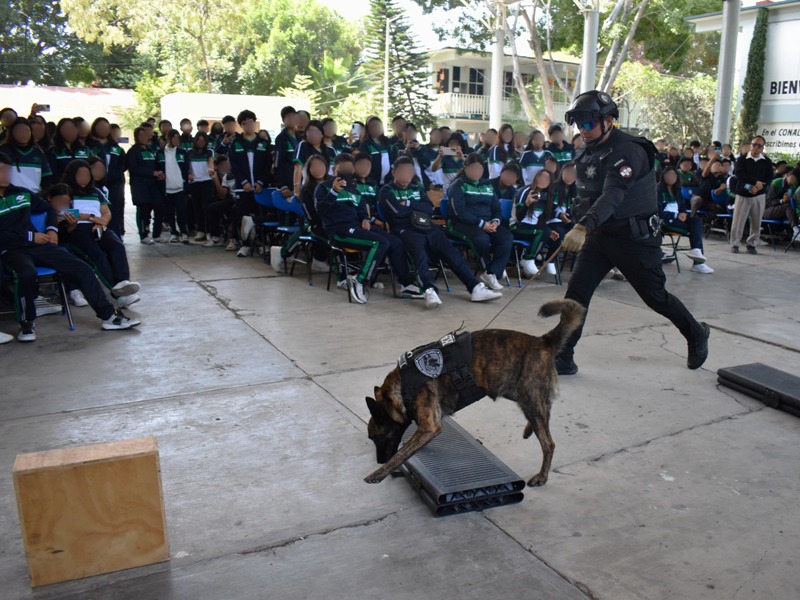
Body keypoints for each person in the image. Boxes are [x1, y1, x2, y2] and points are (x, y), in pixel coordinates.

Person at [554, 90, 709, 375]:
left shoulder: (629, 151)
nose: (582, 130)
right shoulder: (588, 150)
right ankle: (564, 356)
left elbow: (613, 195)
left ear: (608, 121)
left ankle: (696, 333)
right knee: (576, 295)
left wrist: (582, 226)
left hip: (633, 238)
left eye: (589, 123)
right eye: (578, 124)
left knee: (656, 297)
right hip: (600, 237)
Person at [0, 154, 138, 341]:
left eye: (7, 170)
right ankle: (27, 324)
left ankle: (109, 316)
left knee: (82, 268)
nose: (6, 174)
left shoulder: (22, 193)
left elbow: (49, 209)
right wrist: (31, 236)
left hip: (39, 244)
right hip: (10, 249)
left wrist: (52, 230)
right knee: (26, 273)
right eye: (1, 170)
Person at [378, 156, 502, 309]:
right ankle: (429, 290)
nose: (406, 174)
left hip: (426, 226)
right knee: (419, 253)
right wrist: (417, 208)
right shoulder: (386, 191)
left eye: (409, 171)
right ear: (393, 172)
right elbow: (397, 212)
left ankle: (475, 287)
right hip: (404, 229)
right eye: (402, 171)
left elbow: (429, 209)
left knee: (450, 251)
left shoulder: (417, 188)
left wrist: (408, 203)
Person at [317, 153, 421, 304]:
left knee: (396, 242)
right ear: (334, 170)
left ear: (353, 170)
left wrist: (366, 219)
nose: (346, 172)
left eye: (349, 169)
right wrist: (334, 192)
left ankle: (406, 284)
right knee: (379, 243)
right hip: (339, 231)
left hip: (358, 228)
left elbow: (362, 211)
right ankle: (360, 281)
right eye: (342, 169)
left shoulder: (354, 189)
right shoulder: (323, 187)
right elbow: (321, 211)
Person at [50, 168, 142, 305]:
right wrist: (91, 217)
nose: (85, 177)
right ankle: (119, 295)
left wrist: (100, 222)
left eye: (87, 174)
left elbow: (106, 213)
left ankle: (123, 282)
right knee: (97, 255)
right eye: (80, 174)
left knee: (117, 245)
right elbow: (67, 213)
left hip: (98, 226)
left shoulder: (96, 192)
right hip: (77, 229)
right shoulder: (66, 192)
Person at [446, 152, 513, 291]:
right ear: (465, 168)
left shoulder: (487, 185)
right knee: (481, 239)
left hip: (488, 222)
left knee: (506, 237)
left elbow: (496, 208)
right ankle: (489, 270)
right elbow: (459, 212)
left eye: (479, 169)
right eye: (473, 168)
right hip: (462, 224)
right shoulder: (457, 186)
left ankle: (492, 272)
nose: (476, 172)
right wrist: (482, 224)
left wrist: (495, 221)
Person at [270, 154, 331, 274]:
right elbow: (309, 214)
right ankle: (283, 252)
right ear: (308, 170)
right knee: (325, 235)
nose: (318, 169)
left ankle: (319, 260)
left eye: (320, 165)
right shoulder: (306, 188)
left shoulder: (332, 184)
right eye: (314, 166)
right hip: (313, 223)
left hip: (330, 221)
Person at [228, 109, 271, 256]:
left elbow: (267, 165)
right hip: (243, 188)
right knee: (242, 216)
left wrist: (260, 182)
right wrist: (244, 182)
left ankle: (262, 243)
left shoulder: (263, 143)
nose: (249, 125)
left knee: (260, 214)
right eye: (245, 123)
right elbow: (234, 166)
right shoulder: (236, 143)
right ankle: (245, 244)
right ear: (241, 125)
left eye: (251, 122)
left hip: (260, 188)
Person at [658, 167, 714, 274]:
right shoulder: (658, 190)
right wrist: (676, 215)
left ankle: (696, 251)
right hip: (665, 221)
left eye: (673, 175)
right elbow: (658, 211)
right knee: (694, 231)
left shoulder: (677, 190)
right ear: (663, 177)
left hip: (679, 218)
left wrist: (683, 213)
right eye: (668, 175)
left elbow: (682, 207)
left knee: (696, 221)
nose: (671, 177)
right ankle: (698, 263)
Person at [731, 135, 773, 254]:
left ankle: (752, 244)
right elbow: (739, 174)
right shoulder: (742, 159)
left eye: (759, 146)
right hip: (743, 193)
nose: (756, 147)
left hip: (759, 195)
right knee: (738, 221)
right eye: (754, 144)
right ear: (750, 146)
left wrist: (760, 186)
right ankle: (735, 244)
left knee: (756, 221)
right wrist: (754, 183)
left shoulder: (766, 161)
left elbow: (770, 176)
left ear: (762, 148)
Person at [512, 169, 557, 277]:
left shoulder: (548, 195)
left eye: (547, 179)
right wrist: (527, 204)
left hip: (534, 228)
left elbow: (542, 220)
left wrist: (550, 231)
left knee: (555, 235)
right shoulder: (524, 191)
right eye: (541, 177)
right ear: (536, 177)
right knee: (542, 232)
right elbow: (519, 217)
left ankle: (549, 262)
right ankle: (528, 259)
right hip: (517, 226)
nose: (543, 180)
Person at [87, 117, 126, 236]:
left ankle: (117, 234)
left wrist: (114, 176)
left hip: (114, 184)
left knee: (115, 209)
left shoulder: (116, 148)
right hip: (94, 184)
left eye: (106, 127)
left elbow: (123, 164)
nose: (103, 129)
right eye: (100, 127)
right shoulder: (90, 146)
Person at [127, 126, 165, 244]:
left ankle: (157, 234)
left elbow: (155, 165)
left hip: (153, 185)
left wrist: (159, 174)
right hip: (140, 186)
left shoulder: (150, 150)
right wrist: (152, 173)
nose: (144, 137)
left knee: (160, 207)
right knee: (144, 211)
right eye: (141, 135)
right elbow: (134, 169)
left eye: (145, 135)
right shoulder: (133, 151)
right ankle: (144, 235)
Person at [0, 118, 53, 193]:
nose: (23, 133)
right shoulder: (4, 150)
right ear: (12, 132)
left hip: (34, 195)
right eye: (19, 131)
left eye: (26, 131)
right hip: (11, 196)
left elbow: (46, 178)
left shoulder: (38, 152)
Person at [158, 130, 189, 243]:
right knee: (169, 213)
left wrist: (185, 180)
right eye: (174, 137)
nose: (177, 140)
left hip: (180, 187)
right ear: (169, 138)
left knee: (182, 212)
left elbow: (186, 168)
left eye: (178, 138)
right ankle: (173, 233)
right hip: (166, 187)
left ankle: (184, 232)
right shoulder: (161, 152)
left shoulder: (182, 152)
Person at [185, 132, 216, 243]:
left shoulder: (209, 151)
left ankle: (209, 231)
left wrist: (211, 169)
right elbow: (187, 166)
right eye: (199, 140)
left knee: (207, 207)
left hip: (207, 182)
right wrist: (188, 174)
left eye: (203, 140)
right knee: (197, 208)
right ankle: (201, 230)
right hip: (194, 182)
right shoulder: (189, 152)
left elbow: (211, 162)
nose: (201, 142)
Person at [293, 119, 333, 197]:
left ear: (322, 134)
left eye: (316, 132)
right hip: (309, 190)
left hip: (328, 190)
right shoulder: (303, 146)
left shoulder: (331, 150)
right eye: (309, 132)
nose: (312, 135)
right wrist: (297, 191)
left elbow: (334, 171)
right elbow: (298, 168)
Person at [204, 155, 237, 247]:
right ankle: (215, 237)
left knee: (236, 208)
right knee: (212, 207)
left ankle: (235, 239)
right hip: (231, 199)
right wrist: (215, 179)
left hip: (243, 198)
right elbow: (222, 195)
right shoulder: (227, 176)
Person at [358, 116, 395, 185]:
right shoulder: (365, 144)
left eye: (378, 126)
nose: (376, 128)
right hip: (372, 181)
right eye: (373, 126)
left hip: (388, 181)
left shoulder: (387, 142)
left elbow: (392, 159)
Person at [763, 170, 799, 237]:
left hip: (782, 210)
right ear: (787, 175)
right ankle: (796, 229)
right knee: (788, 206)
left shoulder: (792, 187)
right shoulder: (776, 183)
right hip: (767, 210)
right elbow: (768, 202)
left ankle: (792, 231)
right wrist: (782, 201)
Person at [274, 106, 299, 191]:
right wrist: (282, 185)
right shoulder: (281, 138)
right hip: (288, 181)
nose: (291, 119)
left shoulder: (300, 137)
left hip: (300, 179)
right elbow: (278, 162)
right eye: (288, 117)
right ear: (283, 121)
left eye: (293, 116)